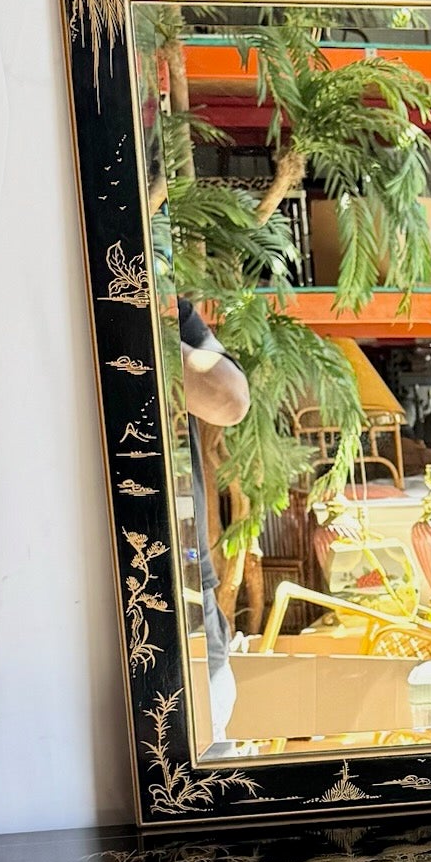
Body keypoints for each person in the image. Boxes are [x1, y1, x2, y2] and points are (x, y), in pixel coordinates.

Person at [177, 299, 251, 743]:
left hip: (184, 584)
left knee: (206, 759)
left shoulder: (167, 308)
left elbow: (229, 400)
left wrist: (158, 336)